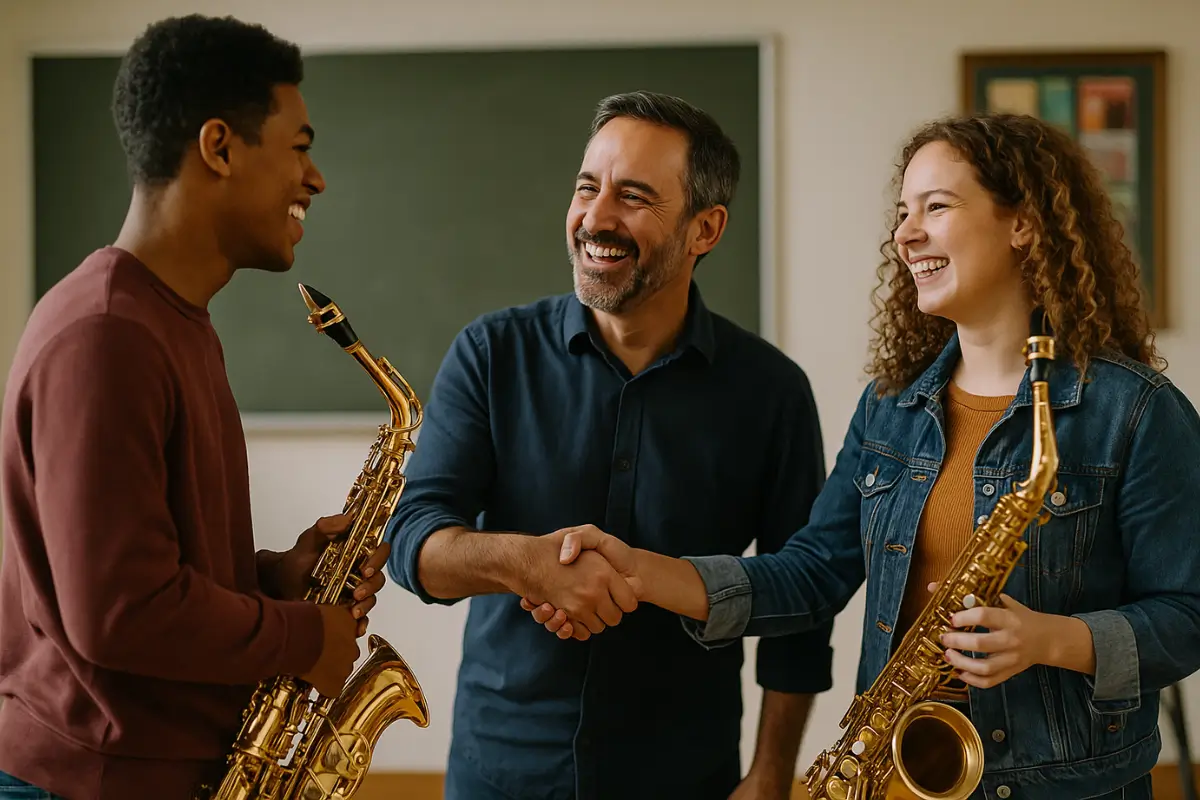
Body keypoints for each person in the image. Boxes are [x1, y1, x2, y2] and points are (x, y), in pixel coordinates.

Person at [528, 112, 1200, 800]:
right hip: (895, 776)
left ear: (1021, 224)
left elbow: (1189, 613)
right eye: (903, 212)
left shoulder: (1137, 411)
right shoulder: (892, 409)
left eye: (936, 207)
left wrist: (1050, 639)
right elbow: (813, 573)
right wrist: (641, 572)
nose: (906, 234)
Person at [383, 90, 835, 800]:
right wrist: (523, 562)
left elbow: (803, 603)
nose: (595, 218)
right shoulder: (490, 353)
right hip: (500, 776)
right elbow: (411, 542)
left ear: (704, 229)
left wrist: (773, 771)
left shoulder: (772, 391)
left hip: (686, 779)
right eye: (587, 188)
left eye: (633, 197)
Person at [0, 15, 389, 800]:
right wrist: (302, 635)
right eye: (300, 146)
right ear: (219, 147)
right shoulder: (108, 333)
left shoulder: (171, 322)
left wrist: (275, 577)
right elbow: (118, 612)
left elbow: (137, 563)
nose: (314, 180)